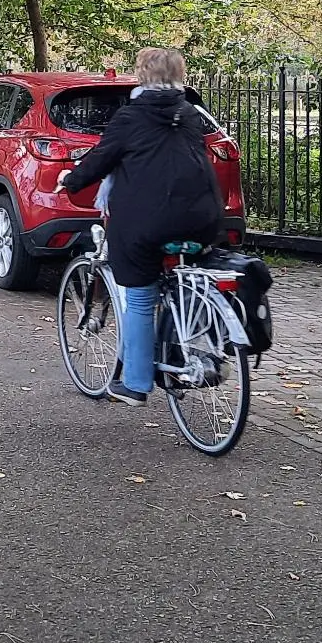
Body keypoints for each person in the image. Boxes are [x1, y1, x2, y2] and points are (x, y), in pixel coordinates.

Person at [58, 47, 225, 407]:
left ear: (142, 76)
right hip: (202, 218)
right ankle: (181, 349)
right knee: (185, 280)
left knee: (140, 298)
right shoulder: (191, 114)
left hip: (148, 224)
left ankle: (134, 383)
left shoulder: (131, 116)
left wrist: (70, 181)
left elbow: (101, 158)